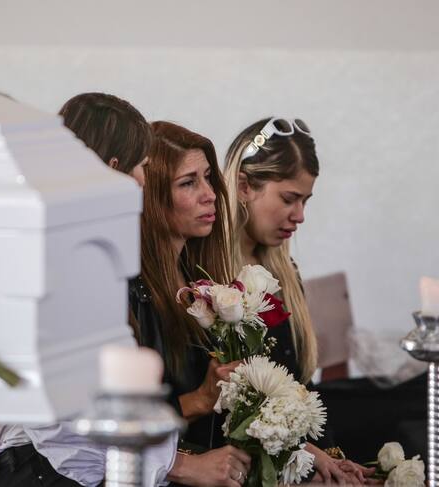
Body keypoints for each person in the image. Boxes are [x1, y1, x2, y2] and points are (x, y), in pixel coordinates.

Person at [0, 92, 166, 487]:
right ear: (114, 170)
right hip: (43, 468)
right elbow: (63, 430)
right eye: (142, 166)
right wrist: (173, 466)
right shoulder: (60, 253)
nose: (145, 181)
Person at [223, 117, 375, 484]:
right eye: (289, 198)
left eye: (305, 201)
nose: (300, 216)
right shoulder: (212, 281)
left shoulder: (285, 273)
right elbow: (229, 407)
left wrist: (333, 457)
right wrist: (308, 453)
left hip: (295, 449)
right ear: (244, 186)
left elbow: (301, 387)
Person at [130, 121, 251, 486]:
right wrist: (199, 399)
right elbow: (124, 424)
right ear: (151, 195)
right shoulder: (130, 293)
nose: (210, 194)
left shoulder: (201, 282)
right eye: (188, 183)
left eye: (208, 178)